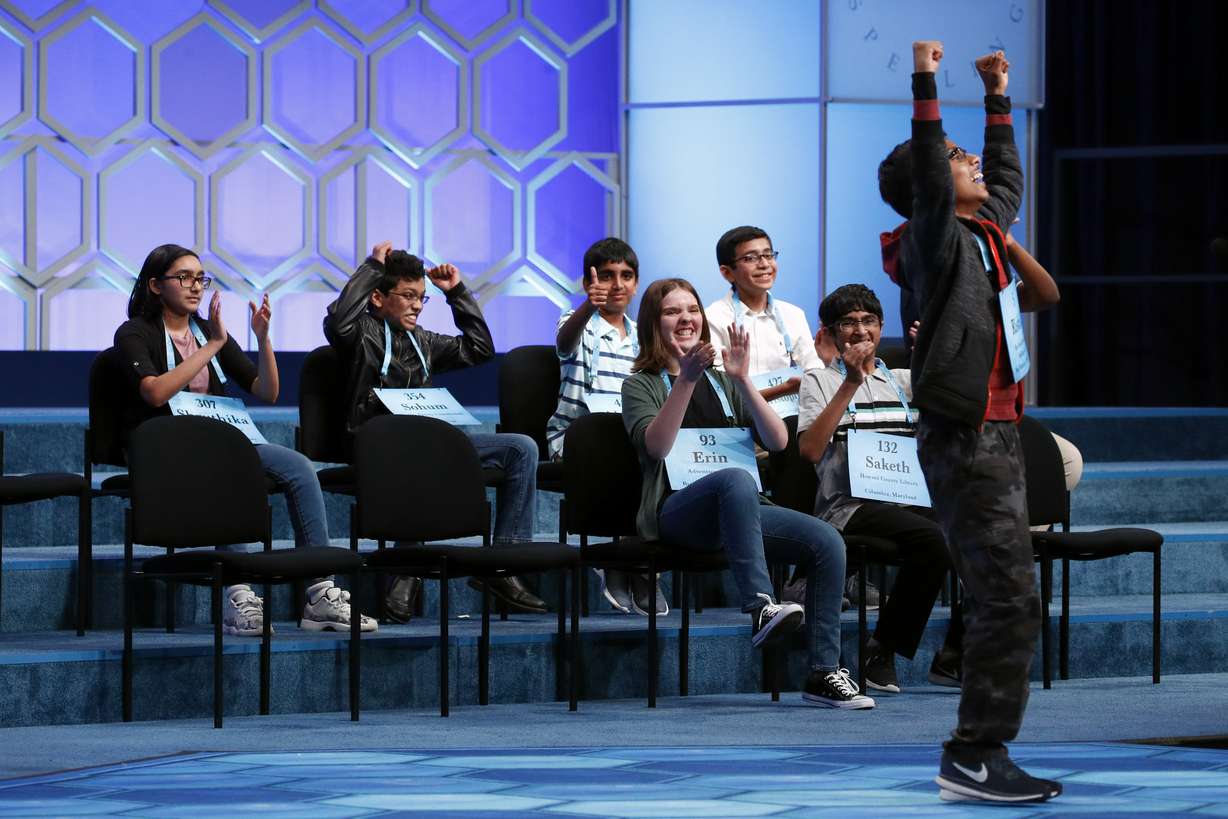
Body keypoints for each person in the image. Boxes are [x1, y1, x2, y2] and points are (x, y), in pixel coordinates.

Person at [876, 42, 1061, 802]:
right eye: (959, 158)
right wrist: (926, 82)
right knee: (1007, 597)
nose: (972, 164)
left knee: (1012, 595)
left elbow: (1007, 176)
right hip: (962, 431)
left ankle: (980, 751)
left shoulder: (986, 231)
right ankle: (975, 752)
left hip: (1000, 429)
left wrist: (997, 95)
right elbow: (929, 169)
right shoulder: (934, 240)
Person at [621, 278, 872, 709]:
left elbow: (777, 441)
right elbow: (658, 447)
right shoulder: (642, 384)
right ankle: (760, 606)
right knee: (734, 478)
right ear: (652, 324)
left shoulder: (723, 381)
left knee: (826, 541)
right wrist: (685, 382)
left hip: (741, 509)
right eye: (672, 311)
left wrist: (742, 380)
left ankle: (824, 672)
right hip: (680, 512)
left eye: (692, 310)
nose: (686, 318)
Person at [114, 244, 375, 636]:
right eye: (184, 277)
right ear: (155, 285)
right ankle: (239, 598)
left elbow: (265, 390)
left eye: (201, 278)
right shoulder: (136, 333)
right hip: (166, 449)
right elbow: (154, 393)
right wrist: (214, 346)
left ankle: (321, 593)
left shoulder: (207, 332)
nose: (196, 286)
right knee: (229, 467)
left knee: (299, 468)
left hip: (221, 439)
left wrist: (263, 339)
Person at [323, 241, 547, 619]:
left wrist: (456, 294)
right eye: (408, 296)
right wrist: (372, 267)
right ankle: (407, 570)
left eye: (421, 298)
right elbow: (337, 321)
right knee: (417, 449)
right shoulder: (360, 334)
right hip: (376, 445)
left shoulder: (423, 342)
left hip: (429, 443)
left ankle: (504, 566)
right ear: (378, 298)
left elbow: (480, 348)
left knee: (520, 449)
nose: (415, 305)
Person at [798, 284, 964, 693]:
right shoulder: (818, 381)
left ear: (881, 327)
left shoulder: (904, 381)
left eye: (868, 320)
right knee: (932, 540)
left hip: (906, 498)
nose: (859, 329)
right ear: (832, 333)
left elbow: (958, 408)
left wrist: (933, 354)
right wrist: (849, 384)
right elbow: (810, 449)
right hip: (849, 506)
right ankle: (881, 650)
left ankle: (955, 654)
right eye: (848, 322)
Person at [546, 238, 655, 614]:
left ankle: (639, 560)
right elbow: (564, 342)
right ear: (589, 282)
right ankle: (616, 557)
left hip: (630, 439)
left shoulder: (645, 336)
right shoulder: (576, 322)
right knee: (621, 451)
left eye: (626, 276)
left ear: (637, 283)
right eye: (607, 276)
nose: (617, 284)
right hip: (576, 439)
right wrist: (585, 308)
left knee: (654, 449)